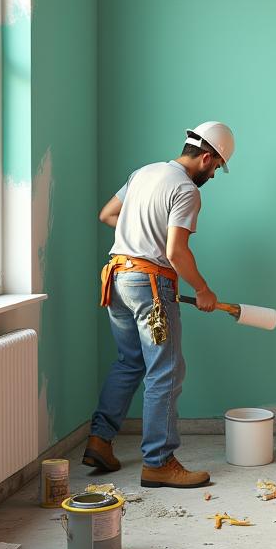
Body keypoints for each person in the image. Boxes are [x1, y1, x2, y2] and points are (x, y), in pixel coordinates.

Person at [82, 121, 235, 489]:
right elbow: (175, 251)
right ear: (206, 156)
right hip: (150, 286)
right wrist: (203, 290)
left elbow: (107, 215)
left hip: (118, 278)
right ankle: (159, 462)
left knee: (130, 361)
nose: (213, 175)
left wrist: (139, 235)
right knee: (165, 371)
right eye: (216, 167)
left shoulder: (144, 172)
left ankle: (100, 441)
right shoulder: (186, 189)